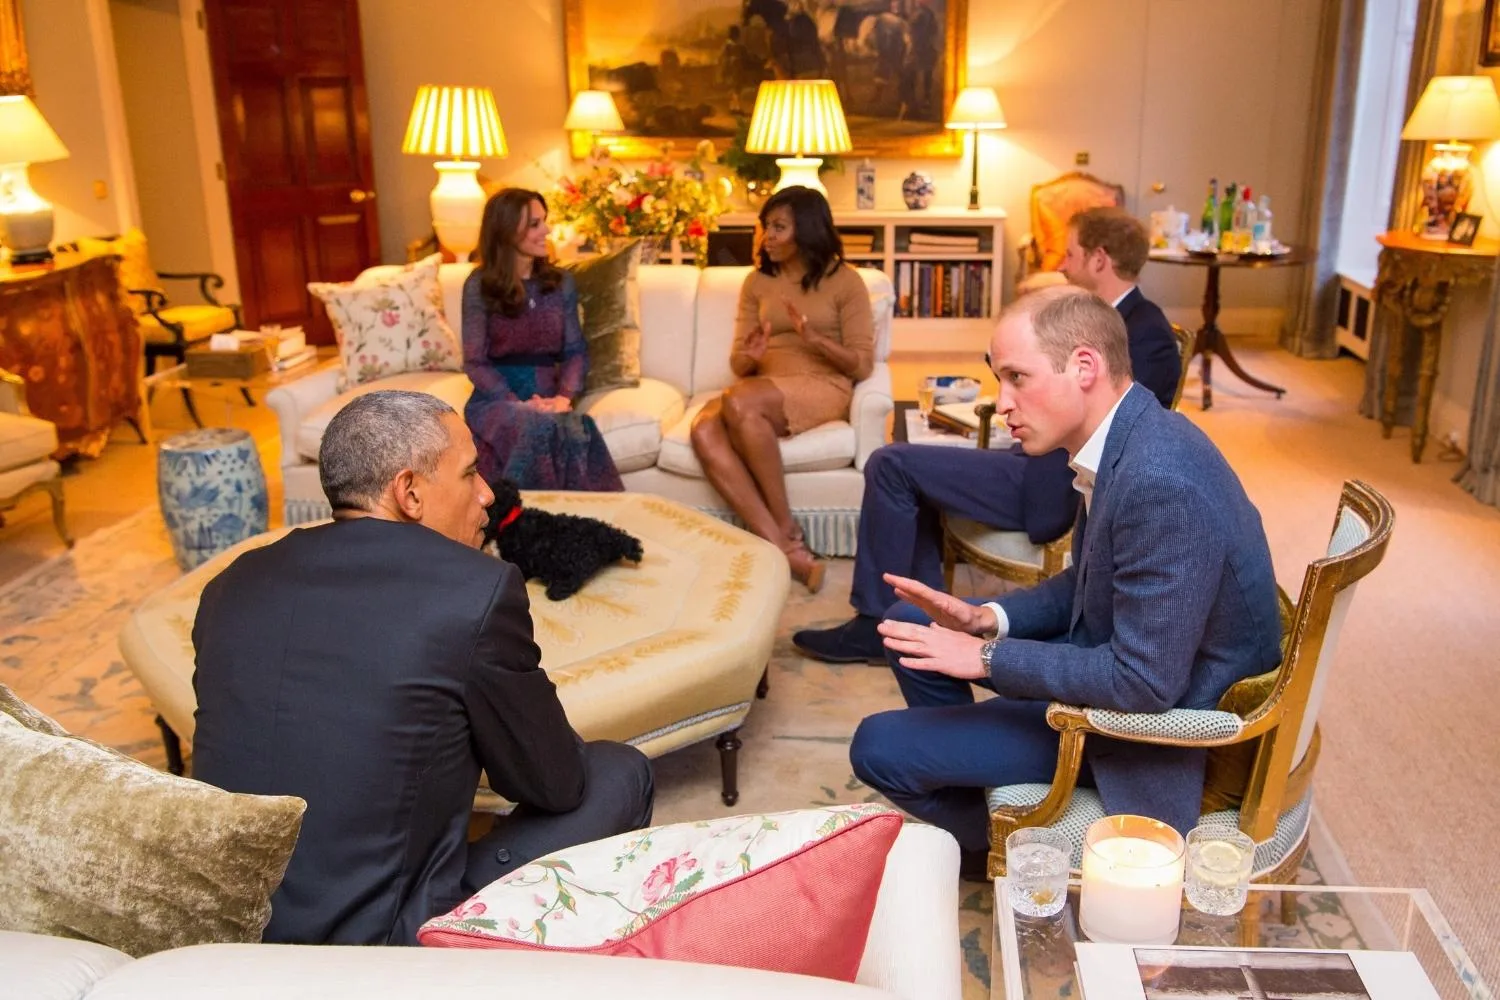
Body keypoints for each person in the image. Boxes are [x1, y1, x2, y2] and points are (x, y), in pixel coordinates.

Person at [191, 390, 654, 945]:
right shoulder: (474, 590)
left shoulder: (231, 585)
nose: (487, 493)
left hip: (230, 934)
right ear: (409, 492)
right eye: (470, 473)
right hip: (378, 948)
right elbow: (553, 784)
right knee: (619, 772)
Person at [847, 287, 1281, 879]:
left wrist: (986, 657)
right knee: (909, 626)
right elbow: (1090, 578)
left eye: (1017, 378)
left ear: (1084, 366)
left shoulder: (1159, 481)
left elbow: (1143, 682)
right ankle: (989, 791)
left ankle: (1003, 847)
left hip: (1151, 732)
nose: (1003, 403)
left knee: (878, 747)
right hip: (1117, 658)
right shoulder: (1127, 438)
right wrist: (988, 618)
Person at [794, 207, 1181, 664]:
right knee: (908, 461)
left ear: (1099, 259)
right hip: (1031, 459)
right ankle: (915, 621)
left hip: (1053, 479)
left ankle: (877, 625)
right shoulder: (1090, 315)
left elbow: (1115, 432)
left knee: (890, 463)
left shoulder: (1148, 333)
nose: (1061, 263)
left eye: (1070, 253)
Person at [690, 185, 875, 592]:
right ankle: (783, 548)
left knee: (740, 402)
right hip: (761, 387)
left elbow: (862, 364)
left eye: (778, 227)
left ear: (806, 230)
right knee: (703, 428)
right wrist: (751, 355)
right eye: (765, 227)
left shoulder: (846, 282)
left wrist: (816, 340)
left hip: (822, 383)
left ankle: (787, 528)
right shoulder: (758, 282)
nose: (766, 238)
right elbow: (738, 364)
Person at [462, 188, 623, 491]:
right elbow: (474, 361)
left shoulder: (561, 283)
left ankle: (590, 515)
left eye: (544, 221)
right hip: (497, 399)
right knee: (536, 427)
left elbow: (575, 351)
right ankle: (524, 514)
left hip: (548, 395)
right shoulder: (479, 285)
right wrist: (517, 403)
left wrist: (563, 397)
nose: (546, 231)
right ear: (507, 230)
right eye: (535, 224)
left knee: (577, 428)